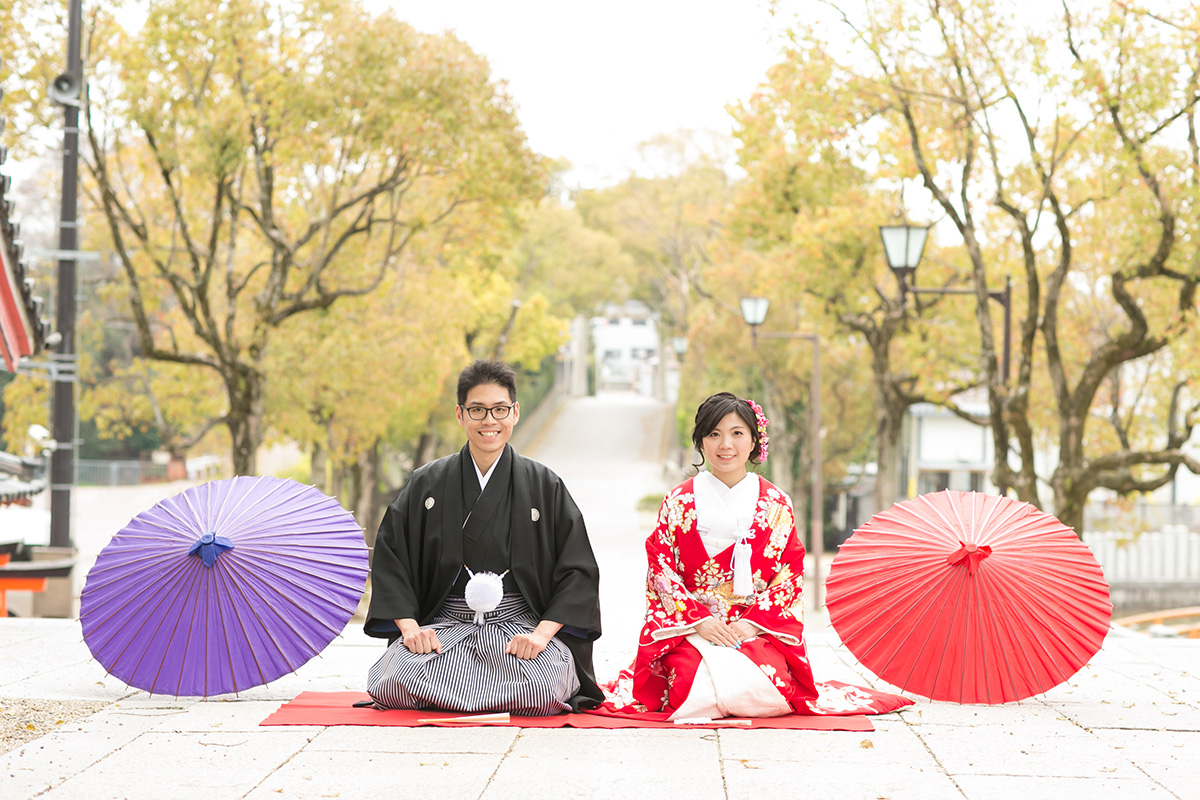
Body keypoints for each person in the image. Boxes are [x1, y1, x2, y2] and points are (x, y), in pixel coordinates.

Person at [604, 392, 911, 719]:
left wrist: (751, 625)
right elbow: (661, 569)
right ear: (701, 442)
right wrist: (701, 622)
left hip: (753, 628)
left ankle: (729, 691)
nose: (726, 445)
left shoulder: (775, 503)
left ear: (753, 441)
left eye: (737, 433)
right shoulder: (678, 501)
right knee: (687, 687)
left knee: (770, 685)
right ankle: (714, 688)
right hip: (691, 629)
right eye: (714, 434)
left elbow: (789, 574)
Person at [364, 359, 603, 715]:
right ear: (460, 415)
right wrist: (412, 629)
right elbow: (391, 556)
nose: (489, 421)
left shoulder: (543, 484)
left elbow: (578, 570)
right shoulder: (428, 482)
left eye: (499, 410)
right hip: (446, 627)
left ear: (515, 412)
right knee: (395, 678)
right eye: (477, 410)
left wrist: (540, 636)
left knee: (541, 687)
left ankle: (455, 696)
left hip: (519, 629)